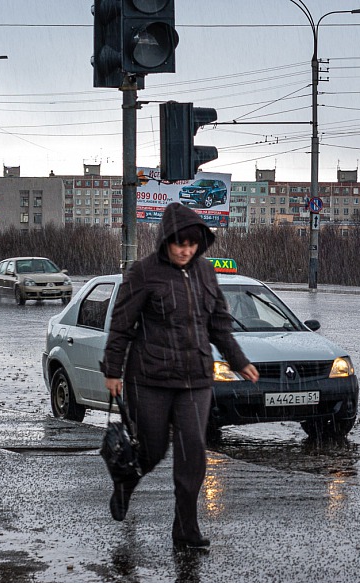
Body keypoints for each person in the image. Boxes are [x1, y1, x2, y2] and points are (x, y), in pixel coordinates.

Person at [101, 202, 258, 551]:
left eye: (192, 243)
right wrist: (113, 371)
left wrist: (238, 360)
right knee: (152, 451)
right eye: (179, 244)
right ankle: (125, 484)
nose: (185, 250)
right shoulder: (143, 272)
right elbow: (122, 326)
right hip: (150, 379)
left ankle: (185, 530)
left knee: (193, 456)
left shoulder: (205, 271)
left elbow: (218, 323)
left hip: (195, 380)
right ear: (165, 242)